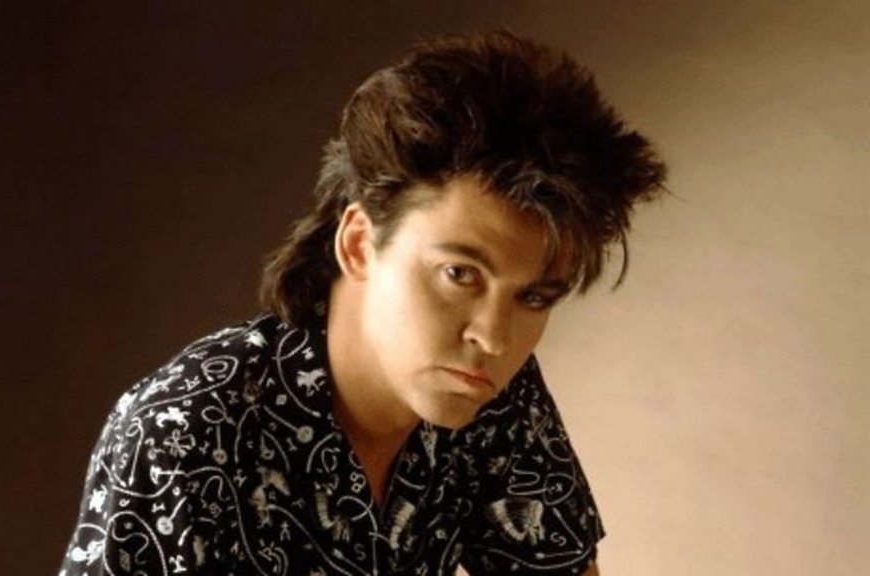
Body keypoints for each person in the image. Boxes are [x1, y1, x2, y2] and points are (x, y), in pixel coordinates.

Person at [59, 30, 666, 576]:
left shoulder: (496, 398)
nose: (494, 336)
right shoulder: (185, 430)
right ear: (357, 243)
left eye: (532, 297)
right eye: (459, 274)